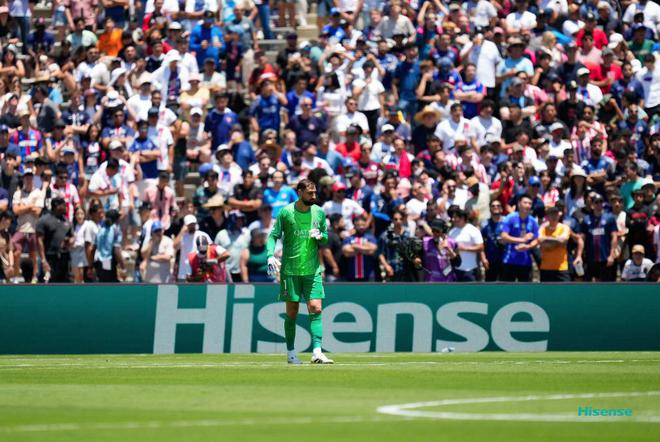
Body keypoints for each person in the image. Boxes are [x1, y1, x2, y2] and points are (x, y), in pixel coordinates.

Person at [266, 178, 333, 364]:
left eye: (315, 192)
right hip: (290, 271)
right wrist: (270, 255)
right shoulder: (286, 212)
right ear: (300, 192)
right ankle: (291, 353)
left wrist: (320, 236)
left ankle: (317, 352)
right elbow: (273, 236)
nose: (314, 196)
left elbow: (325, 238)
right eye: (310, 193)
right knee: (292, 312)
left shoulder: (319, 212)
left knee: (316, 308)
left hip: (312, 270)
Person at [500, 194, 540, 281]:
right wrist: (522, 240)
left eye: (530, 203)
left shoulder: (533, 221)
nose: (527, 205)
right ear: (519, 204)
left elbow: (537, 240)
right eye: (525, 203)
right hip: (510, 260)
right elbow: (504, 236)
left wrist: (528, 246)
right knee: (507, 287)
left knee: (525, 288)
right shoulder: (510, 218)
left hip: (526, 262)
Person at [448, 208, 484, 282]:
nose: (453, 219)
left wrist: (464, 248)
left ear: (462, 218)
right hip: (455, 270)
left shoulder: (473, 230)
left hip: (470, 270)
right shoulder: (451, 232)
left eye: (455, 217)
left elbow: (481, 247)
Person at [538, 206, 571, 282]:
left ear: (559, 215)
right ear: (547, 216)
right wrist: (557, 240)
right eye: (551, 214)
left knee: (565, 289)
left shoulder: (564, 227)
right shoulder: (543, 227)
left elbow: (564, 240)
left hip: (561, 268)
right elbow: (540, 240)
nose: (554, 216)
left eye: (556, 214)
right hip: (546, 267)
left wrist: (547, 239)